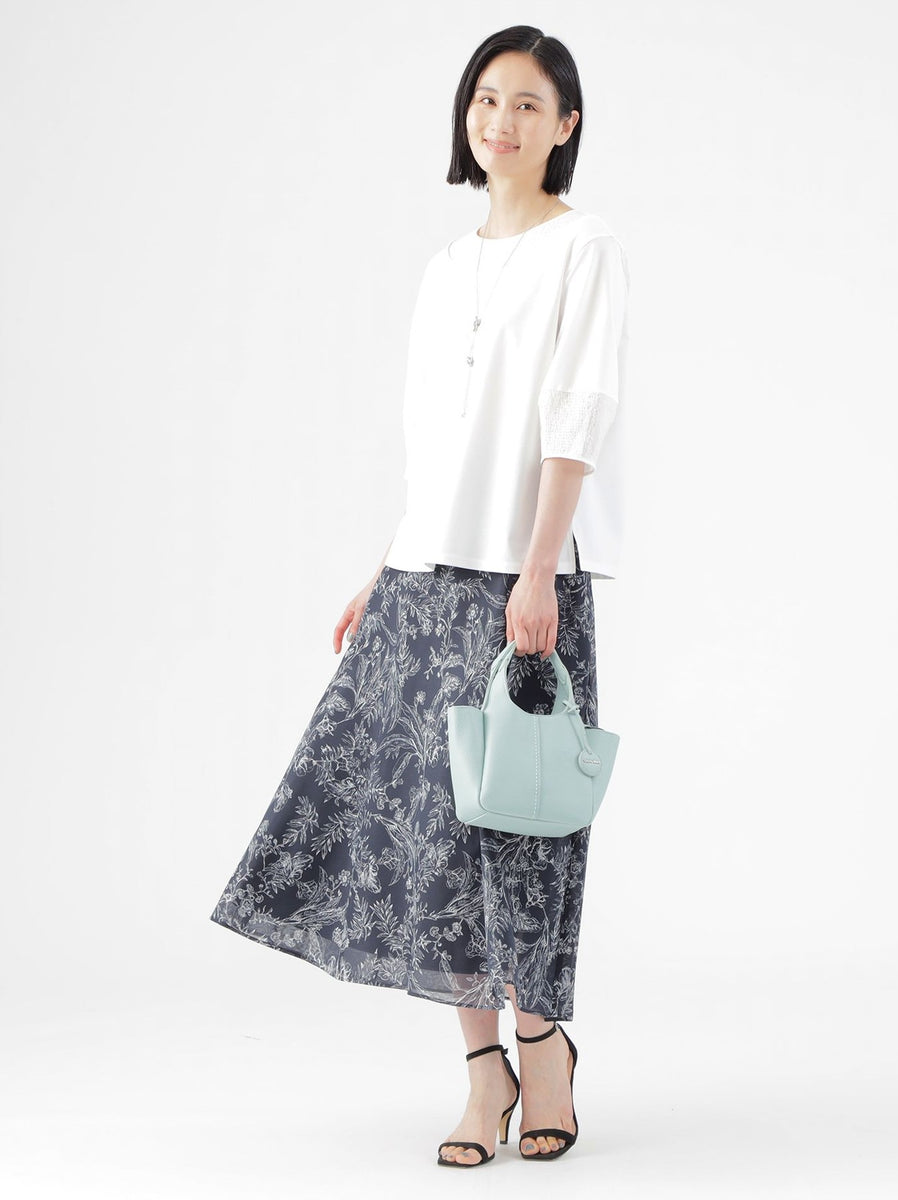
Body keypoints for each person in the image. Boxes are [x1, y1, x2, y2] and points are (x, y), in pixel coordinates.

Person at [209, 24, 629, 1169]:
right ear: (465, 116)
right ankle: (484, 1072)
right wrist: (388, 563)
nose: (502, 120)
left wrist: (536, 570)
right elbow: (436, 448)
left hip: (526, 579)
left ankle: (544, 1048)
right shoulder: (446, 268)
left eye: (528, 103)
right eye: (487, 98)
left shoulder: (582, 248)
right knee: (437, 842)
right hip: (425, 577)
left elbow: (575, 417)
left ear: (566, 125)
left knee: (519, 835)